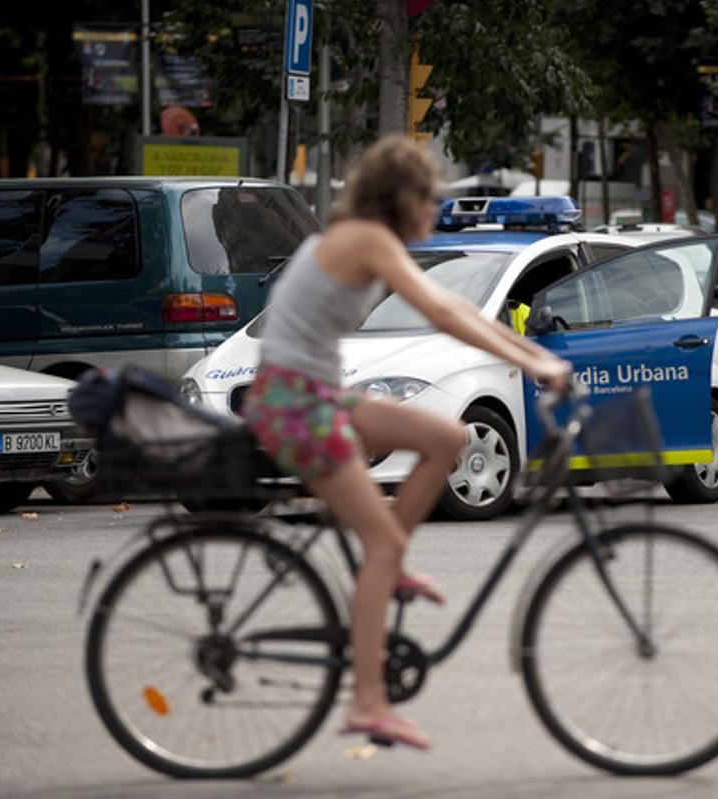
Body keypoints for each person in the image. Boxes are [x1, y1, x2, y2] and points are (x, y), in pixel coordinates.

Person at [243, 136, 572, 749]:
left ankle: (389, 561)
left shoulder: (360, 239)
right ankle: (368, 703)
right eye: (430, 200)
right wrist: (533, 365)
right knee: (380, 542)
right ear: (403, 199)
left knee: (446, 436)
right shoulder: (367, 239)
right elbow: (443, 315)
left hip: (310, 396)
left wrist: (531, 354)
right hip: (295, 406)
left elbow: (455, 306)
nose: (435, 212)